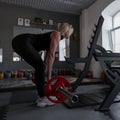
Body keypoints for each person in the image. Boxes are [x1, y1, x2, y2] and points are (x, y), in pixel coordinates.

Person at [12, 23, 74, 107]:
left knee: (40, 66)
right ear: (67, 31)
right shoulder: (57, 34)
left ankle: (41, 95)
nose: (70, 34)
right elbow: (52, 56)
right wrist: (49, 78)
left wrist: (44, 75)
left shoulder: (54, 36)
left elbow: (47, 57)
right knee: (40, 66)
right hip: (23, 41)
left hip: (18, 42)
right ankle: (43, 97)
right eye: (70, 32)